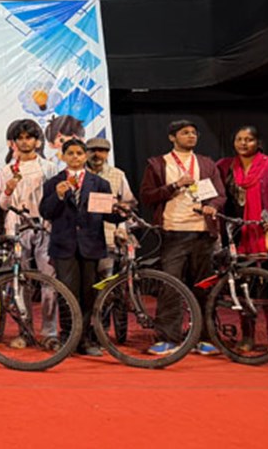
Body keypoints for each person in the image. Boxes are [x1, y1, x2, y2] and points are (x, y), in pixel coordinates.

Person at [139, 119, 226, 356]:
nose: (191, 136)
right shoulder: (159, 163)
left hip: (203, 232)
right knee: (171, 286)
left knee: (203, 287)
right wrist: (174, 186)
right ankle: (168, 338)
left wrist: (213, 206)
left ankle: (204, 337)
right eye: (185, 132)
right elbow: (147, 196)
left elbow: (220, 195)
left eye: (194, 133)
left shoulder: (206, 163)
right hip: (173, 230)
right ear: (172, 137)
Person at [215, 125, 268, 351]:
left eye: (249, 139)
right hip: (237, 238)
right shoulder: (224, 167)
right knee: (243, 290)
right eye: (239, 139)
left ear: (258, 142)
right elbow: (211, 191)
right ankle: (247, 336)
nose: (243, 143)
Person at [39, 139, 125, 356]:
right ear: (63, 156)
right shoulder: (53, 182)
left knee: (88, 294)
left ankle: (85, 339)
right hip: (64, 245)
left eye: (79, 153)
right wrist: (58, 196)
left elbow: (108, 214)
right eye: (70, 153)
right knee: (67, 293)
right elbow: (46, 212)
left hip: (91, 244)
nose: (75, 157)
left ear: (85, 156)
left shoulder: (99, 183)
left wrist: (120, 212)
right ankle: (68, 338)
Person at [0, 119, 60, 348]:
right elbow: (3, 205)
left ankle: (50, 332)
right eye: (20, 138)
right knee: (20, 281)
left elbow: (55, 201)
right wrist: (8, 190)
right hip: (17, 229)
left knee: (49, 281)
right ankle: (25, 332)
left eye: (29, 137)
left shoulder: (49, 168)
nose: (25, 142)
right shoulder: (7, 170)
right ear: (14, 142)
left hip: (44, 227)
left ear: (37, 141)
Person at [84, 137, 137, 277]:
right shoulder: (78, 175)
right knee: (86, 279)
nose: (97, 154)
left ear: (107, 153)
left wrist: (121, 227)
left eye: (101, 151)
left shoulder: (117, 174)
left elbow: (129, 202)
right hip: (83, 236)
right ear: (86, 153)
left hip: (108, 235)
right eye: (92, 151)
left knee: (106, 278)